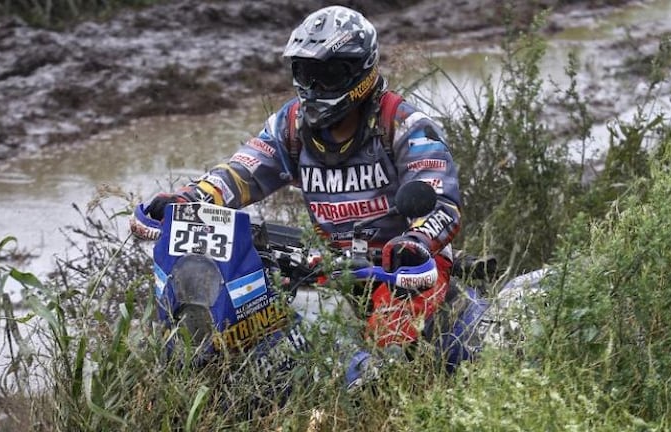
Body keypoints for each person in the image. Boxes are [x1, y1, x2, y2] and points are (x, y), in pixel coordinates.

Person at [133, 5, 461, 355]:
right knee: (251, 322)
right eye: (305, 73)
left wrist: (417, 240)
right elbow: (243, 171)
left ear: (359, 71)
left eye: (327, 74)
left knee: (388, 348)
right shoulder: (290, 125)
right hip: (329, 265)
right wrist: (191, 198)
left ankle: (392, 399)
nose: (314, 86)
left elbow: (440, 200)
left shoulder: (405, 125)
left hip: (405, 270)